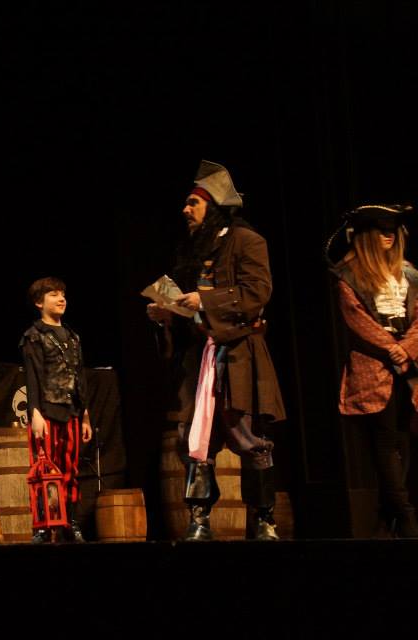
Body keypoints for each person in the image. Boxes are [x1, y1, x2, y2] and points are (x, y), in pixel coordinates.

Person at [146, 160, 285, 541]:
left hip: (238, 354)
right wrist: (166, 315)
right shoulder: (193, 249)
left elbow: (257, 293)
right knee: (193, 437)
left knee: (249, 437)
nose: (185, 210)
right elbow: (187, 306)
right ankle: (200, 517)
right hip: (198, 359)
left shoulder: (247, 240)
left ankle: (263, 518)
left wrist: (204, 300)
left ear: (214, 207)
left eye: (193, 202)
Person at [332, 204, 418, 538]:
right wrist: (391, 348)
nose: (389, 235)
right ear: (366, 235)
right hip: (373, 368)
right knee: (384, 441)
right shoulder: (350, 275)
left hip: (408, 367)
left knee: (404, 439)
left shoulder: (409, 273)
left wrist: (406, 348)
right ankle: (406, 515)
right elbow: (357, 320)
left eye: (392, 230)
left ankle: (388, 518)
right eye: (381, 230)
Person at [20, 277, 92, 543]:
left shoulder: (73, 337)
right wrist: (35, 412)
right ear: (39, 303)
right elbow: (33, 376)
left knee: (70, 469)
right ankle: (43, 526)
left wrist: (85, 415)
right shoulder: (34, 335)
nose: (61, 299)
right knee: (45, 470)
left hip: (71, 411)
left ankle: (69, 522)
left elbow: (79, 377)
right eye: (53, 295)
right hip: (47, 412)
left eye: (62, 294)